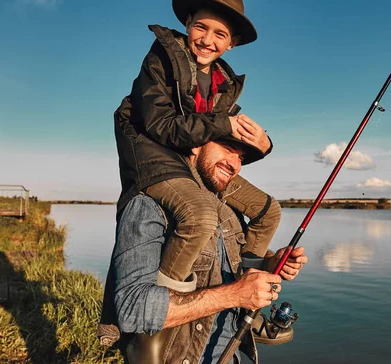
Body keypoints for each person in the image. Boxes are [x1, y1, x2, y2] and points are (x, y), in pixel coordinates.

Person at [114, 0, 281, 287]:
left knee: (269, 211)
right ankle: (164, 304)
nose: (207, 40)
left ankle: (244, 284)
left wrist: (264, 145)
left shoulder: (223, 83)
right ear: (188, 22)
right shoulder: (160, 61)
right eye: (201, 27)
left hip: (191, 160)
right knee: (201, 214)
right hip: (156, 159)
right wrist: (224, 125)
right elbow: (160, 125)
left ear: (232, 42)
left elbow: (223, 149)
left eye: (220, 34)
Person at [100, 137, 308, 364]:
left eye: (240, 158)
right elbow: (133, 310)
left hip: (229, 354)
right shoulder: (148, 205)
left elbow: (234, 263)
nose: (235, 164)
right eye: (228, 149)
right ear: (196, 145)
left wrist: (270, 263)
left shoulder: (229, 213)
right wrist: (235, 295)